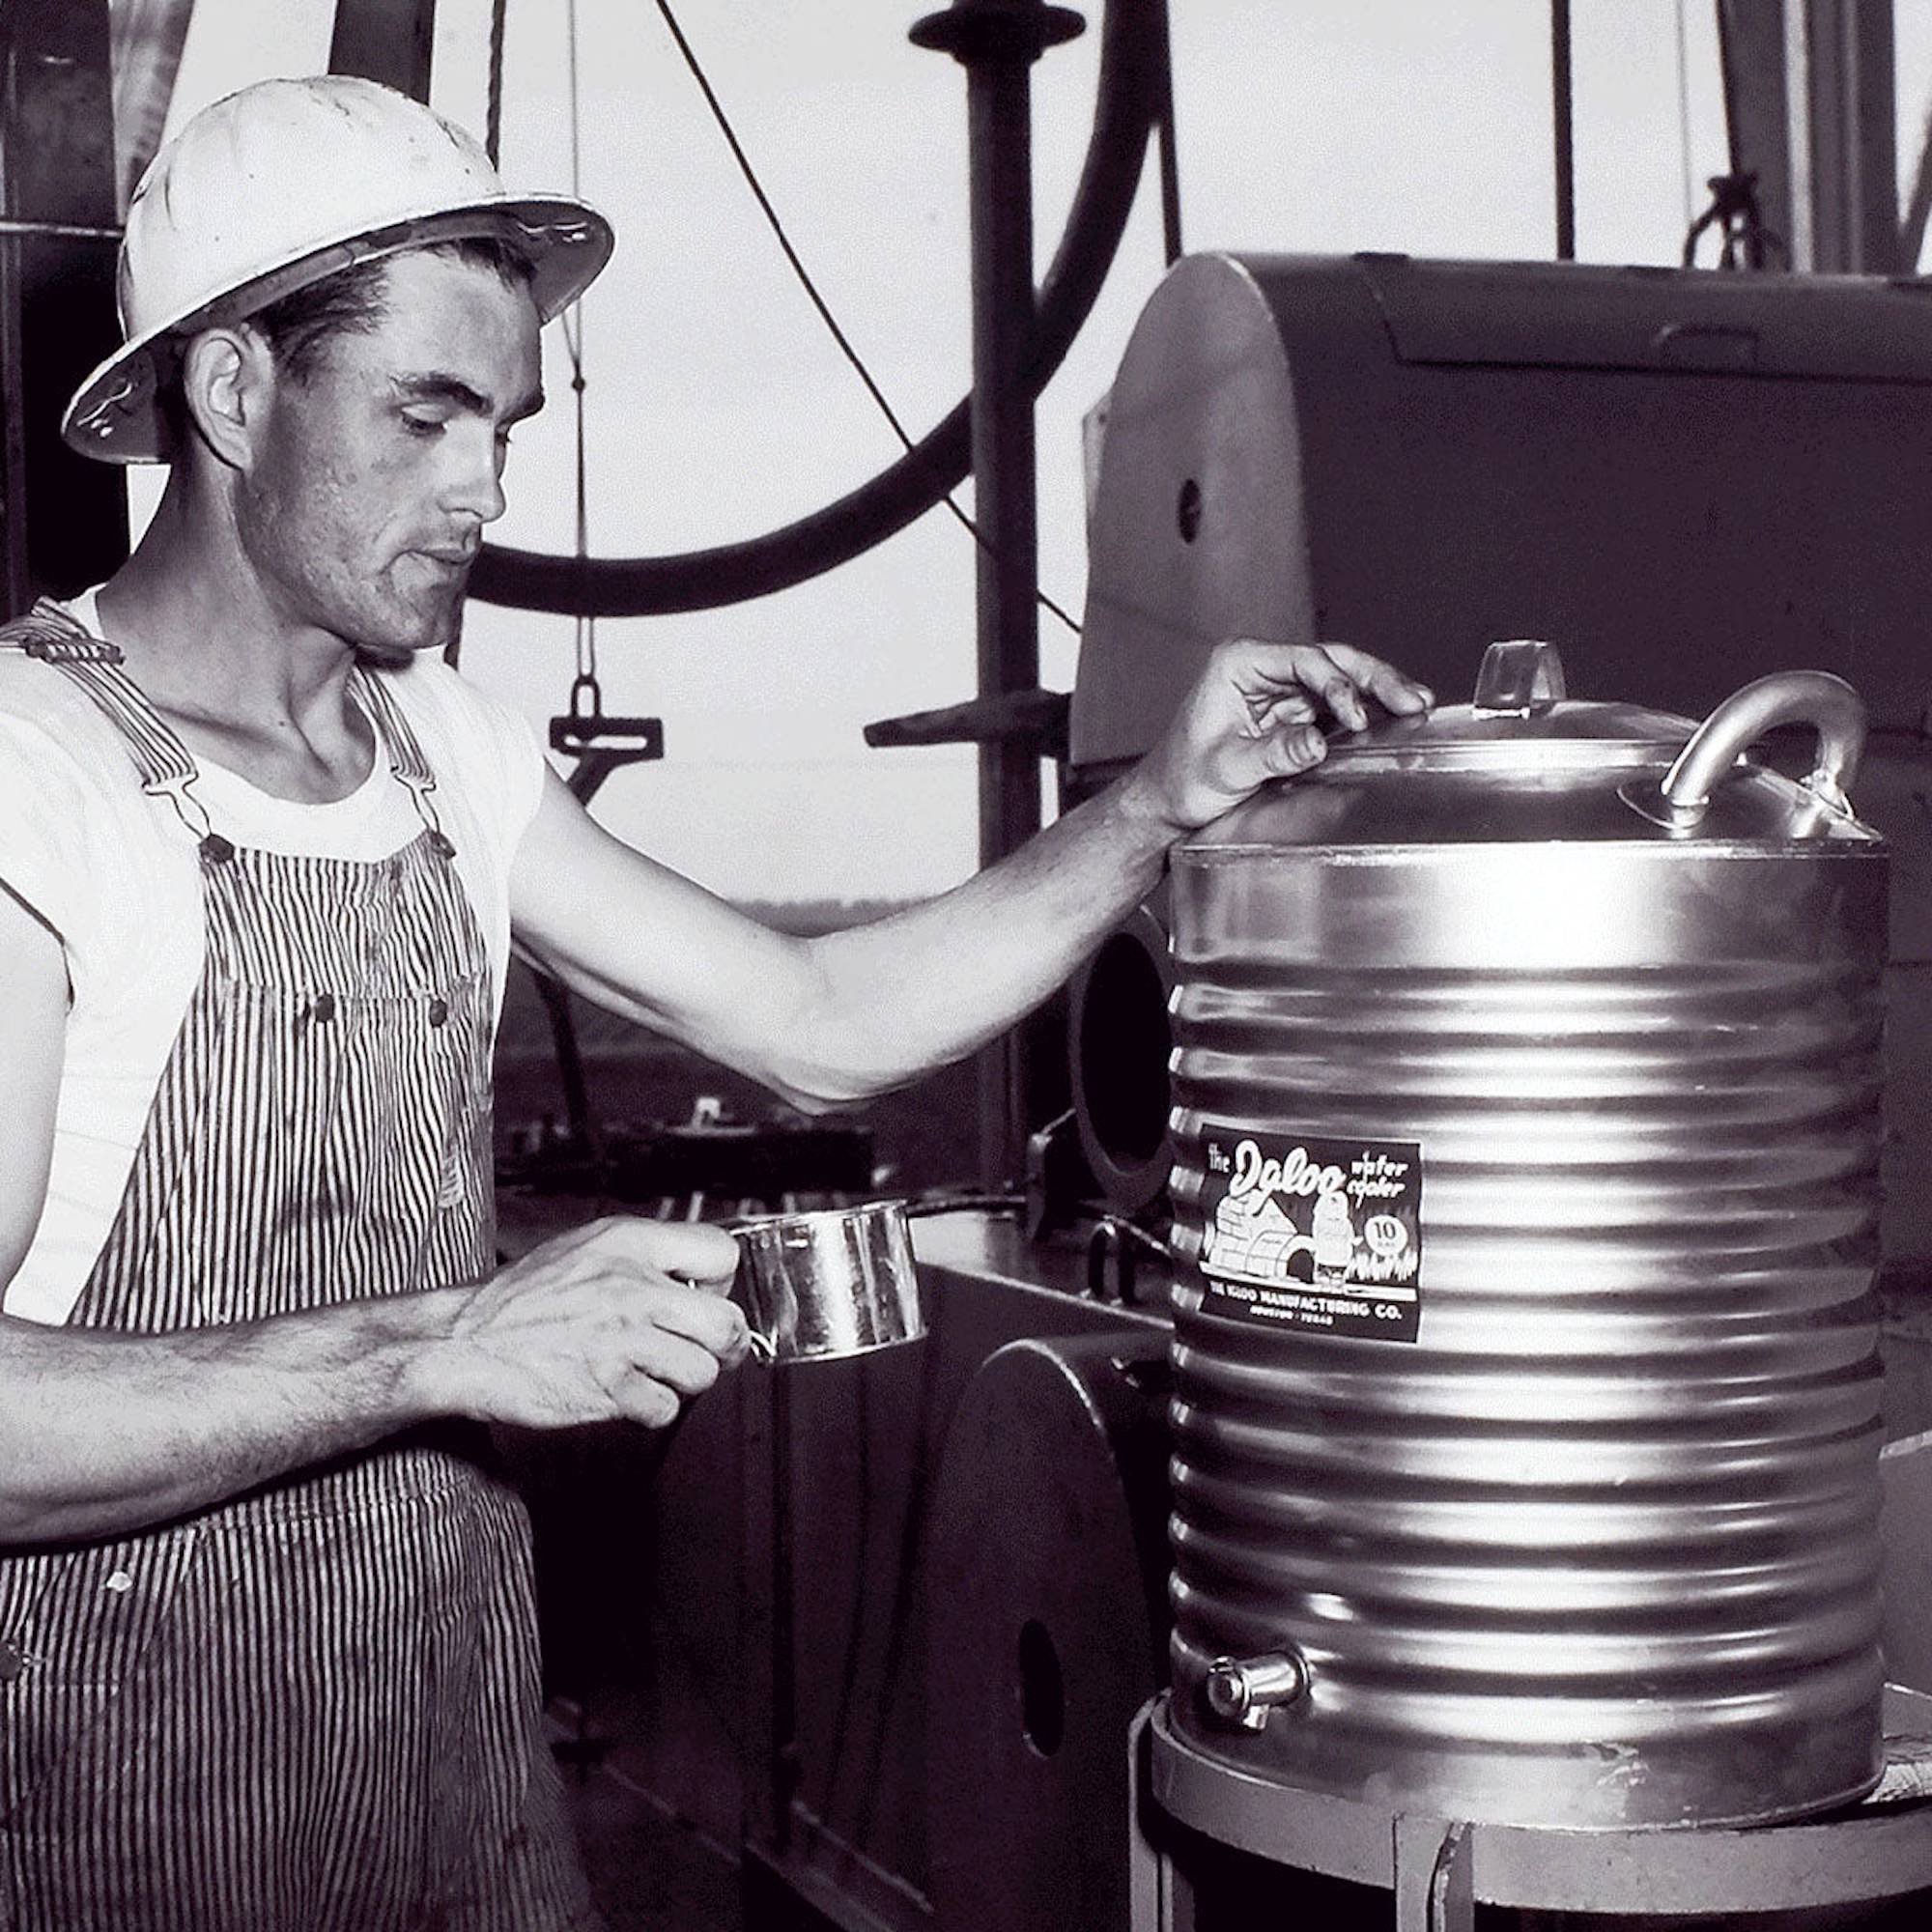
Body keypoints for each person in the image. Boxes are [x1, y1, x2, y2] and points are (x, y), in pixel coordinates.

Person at [0, 74, 1431, 1932]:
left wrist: (1153, 809)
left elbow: (818, 1016)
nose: (484, 490)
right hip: (127, 1793)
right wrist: (442, 1345)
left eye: (503, 425)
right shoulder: (39, 776)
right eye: (425, 414)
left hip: (450, 1749)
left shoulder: (439, 754)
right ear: (229, 392)